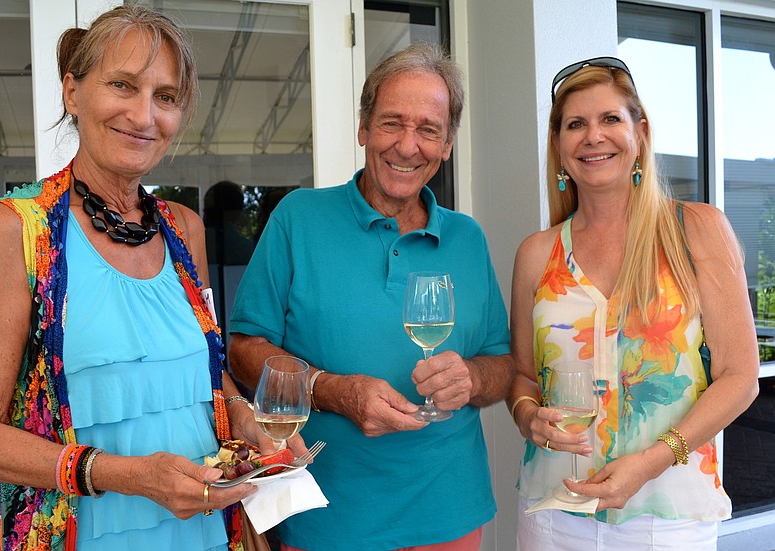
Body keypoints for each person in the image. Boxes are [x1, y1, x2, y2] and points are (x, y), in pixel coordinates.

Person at [0, 6, 303, 551]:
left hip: (203, 529)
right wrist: (128, 476)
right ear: (72, 93)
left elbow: (202, 379)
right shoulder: (11, 231)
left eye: (166, 96)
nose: (144, 115)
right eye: (122, 85)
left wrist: (244, 416)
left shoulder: (184, 229)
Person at [227, 43, 513, 551]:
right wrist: (335, 390)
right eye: (391, 123)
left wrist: (471, 379)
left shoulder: (467, 239)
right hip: (323, 515)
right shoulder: (298, 218)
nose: (408, 146)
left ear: (448, 143)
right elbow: (245, 350)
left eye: (429, 129)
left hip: (449, 512)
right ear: (363, 128)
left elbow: (503, 367)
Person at [506, 57, 760, 550]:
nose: (593, 136)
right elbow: (522, 377)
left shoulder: (697, 230)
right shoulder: (537, 253)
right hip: (554, 515)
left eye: (610, 120)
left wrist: (651, 462)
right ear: (558, 147)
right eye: (575, 124)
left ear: (639, 133)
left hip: (666, 520)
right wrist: (526, 415)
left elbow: (740, 378)